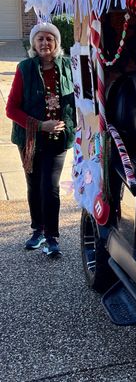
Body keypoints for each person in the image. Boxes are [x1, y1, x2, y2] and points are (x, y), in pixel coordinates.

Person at [6, 22, 76, 256]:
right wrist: (39, 125)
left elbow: (80, 96)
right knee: (34, 185)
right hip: (30, 139)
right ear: (33, 44)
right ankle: (37, 229)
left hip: (59, 138)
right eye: (40, 39)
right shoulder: (24, 68)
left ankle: (52, 236)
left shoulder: (68, 66)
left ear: (56, 43)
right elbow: (11, 109)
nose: (45, 43)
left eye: (49, 38)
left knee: (51, 187)